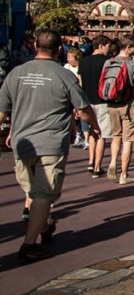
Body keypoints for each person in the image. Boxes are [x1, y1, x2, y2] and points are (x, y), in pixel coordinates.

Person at [0, 29, 100, 262]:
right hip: (51, 143)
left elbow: (2, 112)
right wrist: (94, 127)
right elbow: (83, 109)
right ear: (58, 50)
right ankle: (28, 244)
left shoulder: (17, 74)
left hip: (23, 143)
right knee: (43, 194)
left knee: (33, 192)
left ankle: (43, 225)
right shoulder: (64, 76)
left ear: (35, 46)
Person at [106, 35, 134, 184]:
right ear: (128, 48)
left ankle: (113, 162)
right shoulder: (133, 64)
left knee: (116, 135)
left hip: (112, 104)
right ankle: (124, 175)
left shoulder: (109, 62)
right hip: (128, 104)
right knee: (128, 140)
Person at [77, 34, 114, 178]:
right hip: (102, 101)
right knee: (102, 134)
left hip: (86, 102)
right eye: (107, 46)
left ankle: (91, 160)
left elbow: (80, 83)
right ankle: (97, 167)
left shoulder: (84, 62)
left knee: (92, 131)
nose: (108, 49)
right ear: (101, 46)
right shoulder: (107, 62)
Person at [63, 48, 87, 150]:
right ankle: (77, 134)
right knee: (73, 117)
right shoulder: (66, 67)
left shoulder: (81, 67)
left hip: (78, 93)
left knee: (81, 115)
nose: (68, 59)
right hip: (68, 95)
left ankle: (85, 137)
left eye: (70, 57)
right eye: (67, 57)